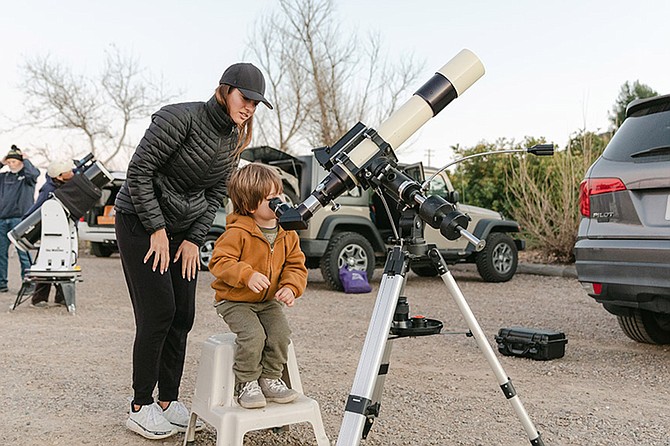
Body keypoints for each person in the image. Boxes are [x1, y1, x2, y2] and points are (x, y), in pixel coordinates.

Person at [114, 63, 272, 439]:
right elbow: (138, 173)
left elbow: (215, 193)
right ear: (225, 89)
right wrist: (156, 229)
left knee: (183, 315)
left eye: (256, 103)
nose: (249, 107)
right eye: (245, 98)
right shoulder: (178, 118)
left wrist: (191, 239)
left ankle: (167, 401)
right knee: (158, 313)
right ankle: (141, 405)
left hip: (181, 233)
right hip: (139, 222)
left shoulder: (232, 138)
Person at [209, 163, 308, 409]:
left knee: (280, 334)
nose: (279, 203)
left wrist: (290, 287)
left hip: (266, 301)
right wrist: (246, 275)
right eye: (271, 200)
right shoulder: (237, 232)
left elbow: (296, 266)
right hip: (235, 301)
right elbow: (219, 262)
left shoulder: (287, 232)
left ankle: (270, 378)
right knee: (254, 336)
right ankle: (247, 382)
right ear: (251, 205)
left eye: (280, 196)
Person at [23, 160, 76, 307]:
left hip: (65, 230)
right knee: (46, 264)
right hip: (50, 233)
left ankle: (62, 297)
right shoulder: (48, 190)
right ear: (59, 176)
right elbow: (37, 208)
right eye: (69, 172)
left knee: (64, 264)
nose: (72, 173)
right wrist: (25, 221)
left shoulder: (66, 184)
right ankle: (39, 298)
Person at [0, 145, 40, 293]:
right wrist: (1, 163)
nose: (11, 164)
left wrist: (26, 160)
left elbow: (34, 174)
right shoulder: (3, 177)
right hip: (2, 219)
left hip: (20, 219)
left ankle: (29, 283)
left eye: (14, 161)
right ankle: (1, 283)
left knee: (23, 252)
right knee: (1, 253)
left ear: (21, 162)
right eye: (9, 162)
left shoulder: (27, 178)